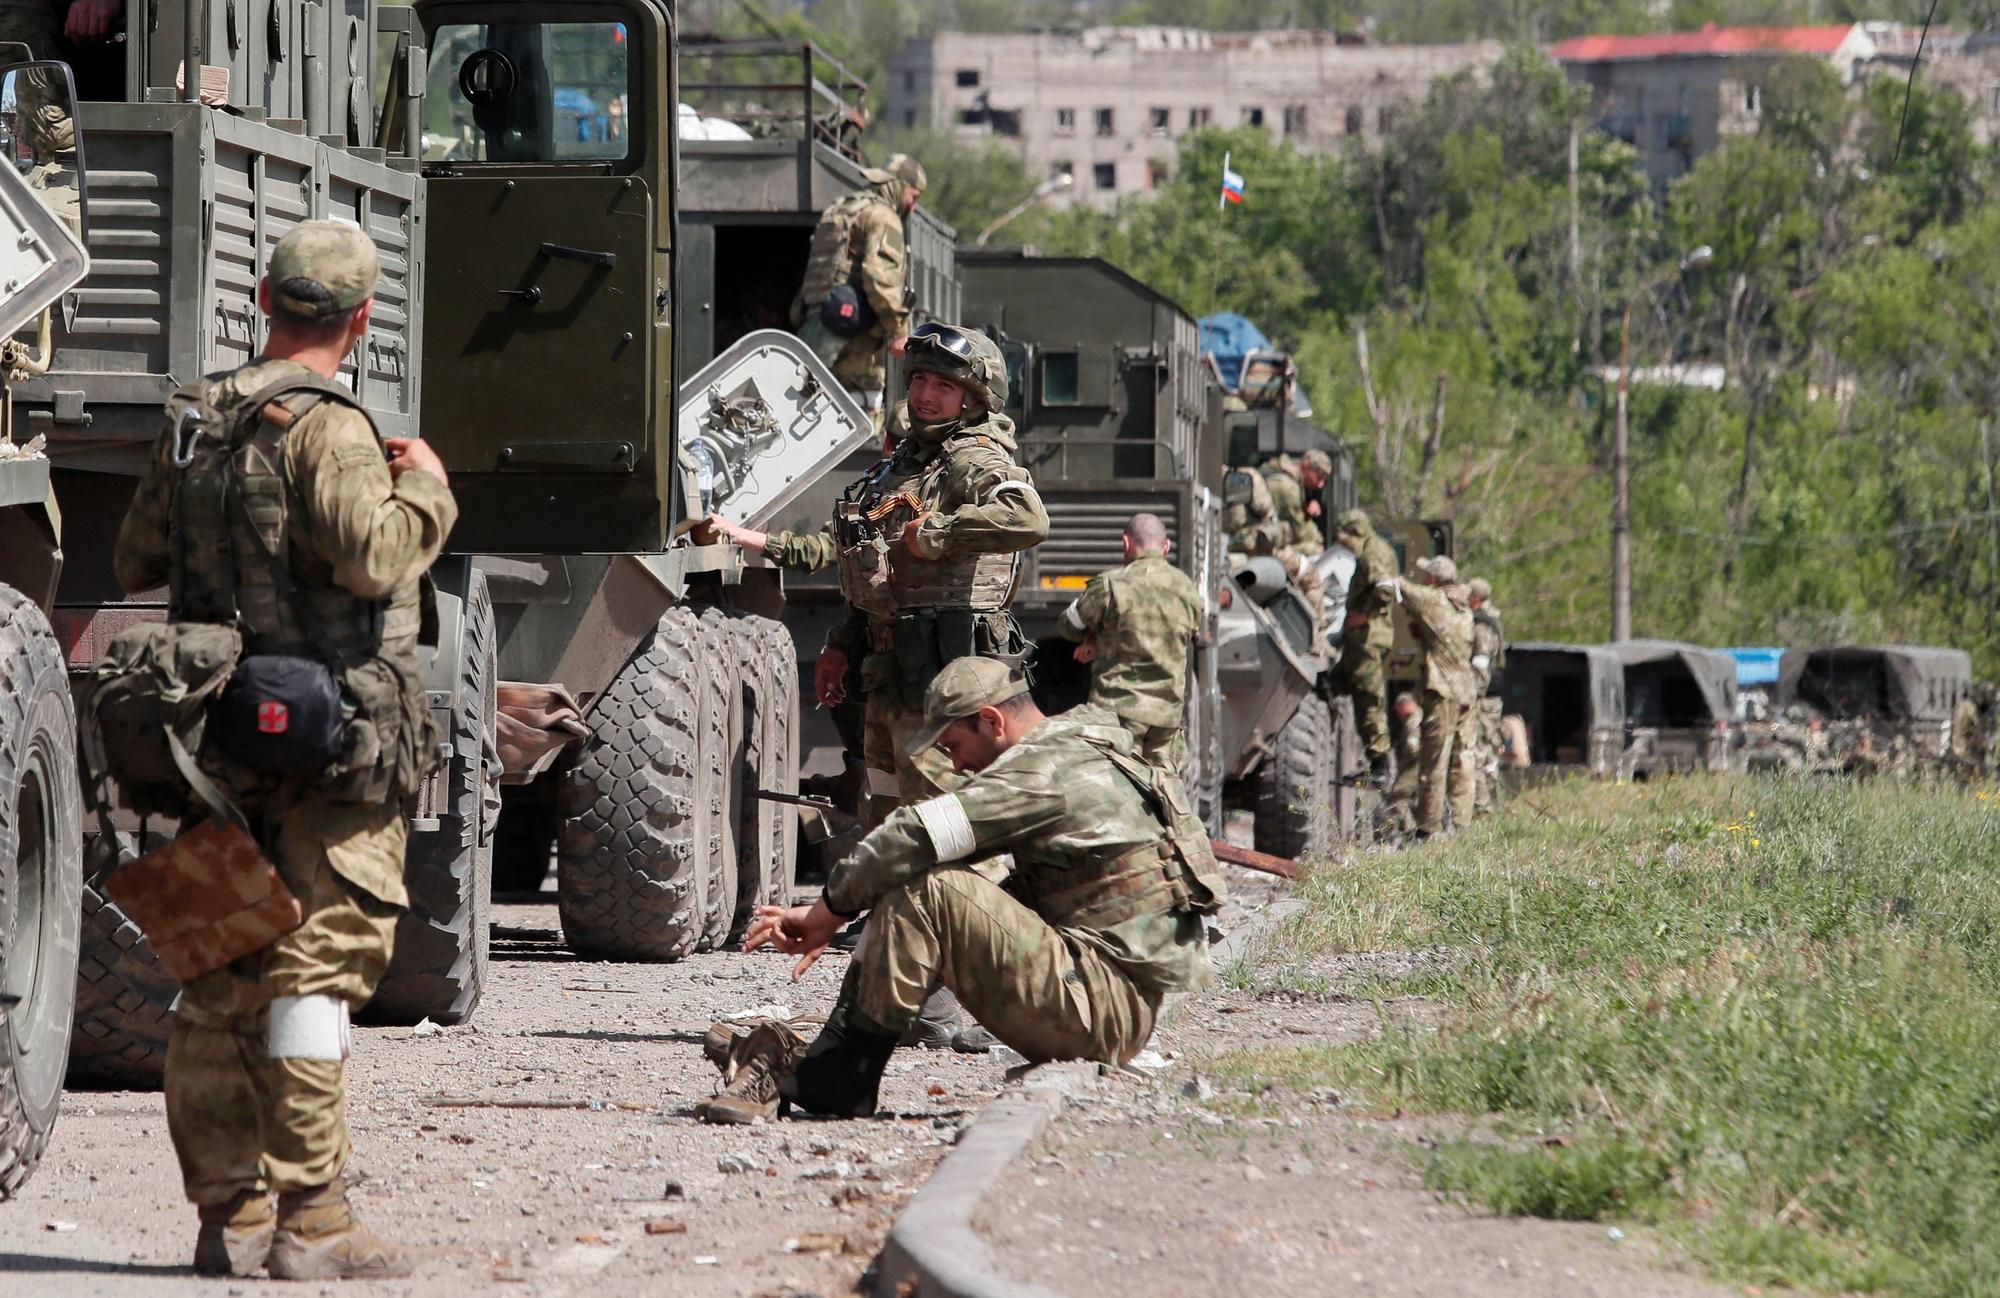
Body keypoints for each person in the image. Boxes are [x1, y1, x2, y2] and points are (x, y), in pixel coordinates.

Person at [111, 220, 455, 1280]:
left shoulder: (193, 419)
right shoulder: (332, 425)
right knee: (314, 974)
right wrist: (430, 489)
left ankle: (231, 1215)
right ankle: (314, 1215)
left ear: (264, 301)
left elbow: (135, 556)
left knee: (216, 970)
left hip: (211, 733)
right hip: (334, 741)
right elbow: (369, 555)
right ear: (359, 320)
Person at [695, 658, 1225, 1124]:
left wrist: (825, 914)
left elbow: (911, 836)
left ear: (992, 721)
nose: (956, 765)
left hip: (1099, 1008)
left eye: (955, 745)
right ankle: (832, 1061)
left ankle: (837, 1076)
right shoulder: (1080, 748)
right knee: (916, 888)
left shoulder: (1036, 771)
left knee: (926, 887)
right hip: (1112, 998)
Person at [1058, 511, 1202, 771]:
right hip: (1166, 717)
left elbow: (1069, 626)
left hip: (1119, 714)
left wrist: (1094, 636)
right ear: (1166, 546)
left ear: (1126, 543)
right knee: (1163, 791)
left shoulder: (1111, 585)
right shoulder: (1187, 590)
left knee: (1119, 789)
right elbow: (1192, 634)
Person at [793, 153, 926, 432]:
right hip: (855, 340)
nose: (912, 208)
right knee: (857, 422)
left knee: (804, 406)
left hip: (818, 328)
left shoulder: (842, 209)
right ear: (899, 186)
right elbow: (881, 277)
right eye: (913, 197)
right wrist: (899, 330)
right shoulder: (882, 216)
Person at [1393, 556, 1475, 838]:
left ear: (1433, 579)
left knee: (1434, 761)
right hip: (1467, 691)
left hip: (1443, 691)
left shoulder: (1436, 601)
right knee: (1463, 759)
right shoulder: (1463, 605)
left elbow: (1402, 588)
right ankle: (1461, 825)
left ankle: (1430, 828)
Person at [1331, 509, 1399, 788]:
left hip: (1368, 637)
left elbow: (1386, 589)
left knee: (1368, 698)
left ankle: (1379, 764)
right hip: (1369, 636)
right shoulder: (1381, 548)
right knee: (1342, 684)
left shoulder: (1371, 555)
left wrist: (1365, 614)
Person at [1467, 577, 1504, 818]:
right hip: (1489, 699)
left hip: (1483, 700)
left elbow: (1480, 666)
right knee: (1486, 754)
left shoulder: (1482, 627)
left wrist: (1470, 695)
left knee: (1479, 752)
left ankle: (1483, 809)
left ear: (1476, 599)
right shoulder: (1489, 622)